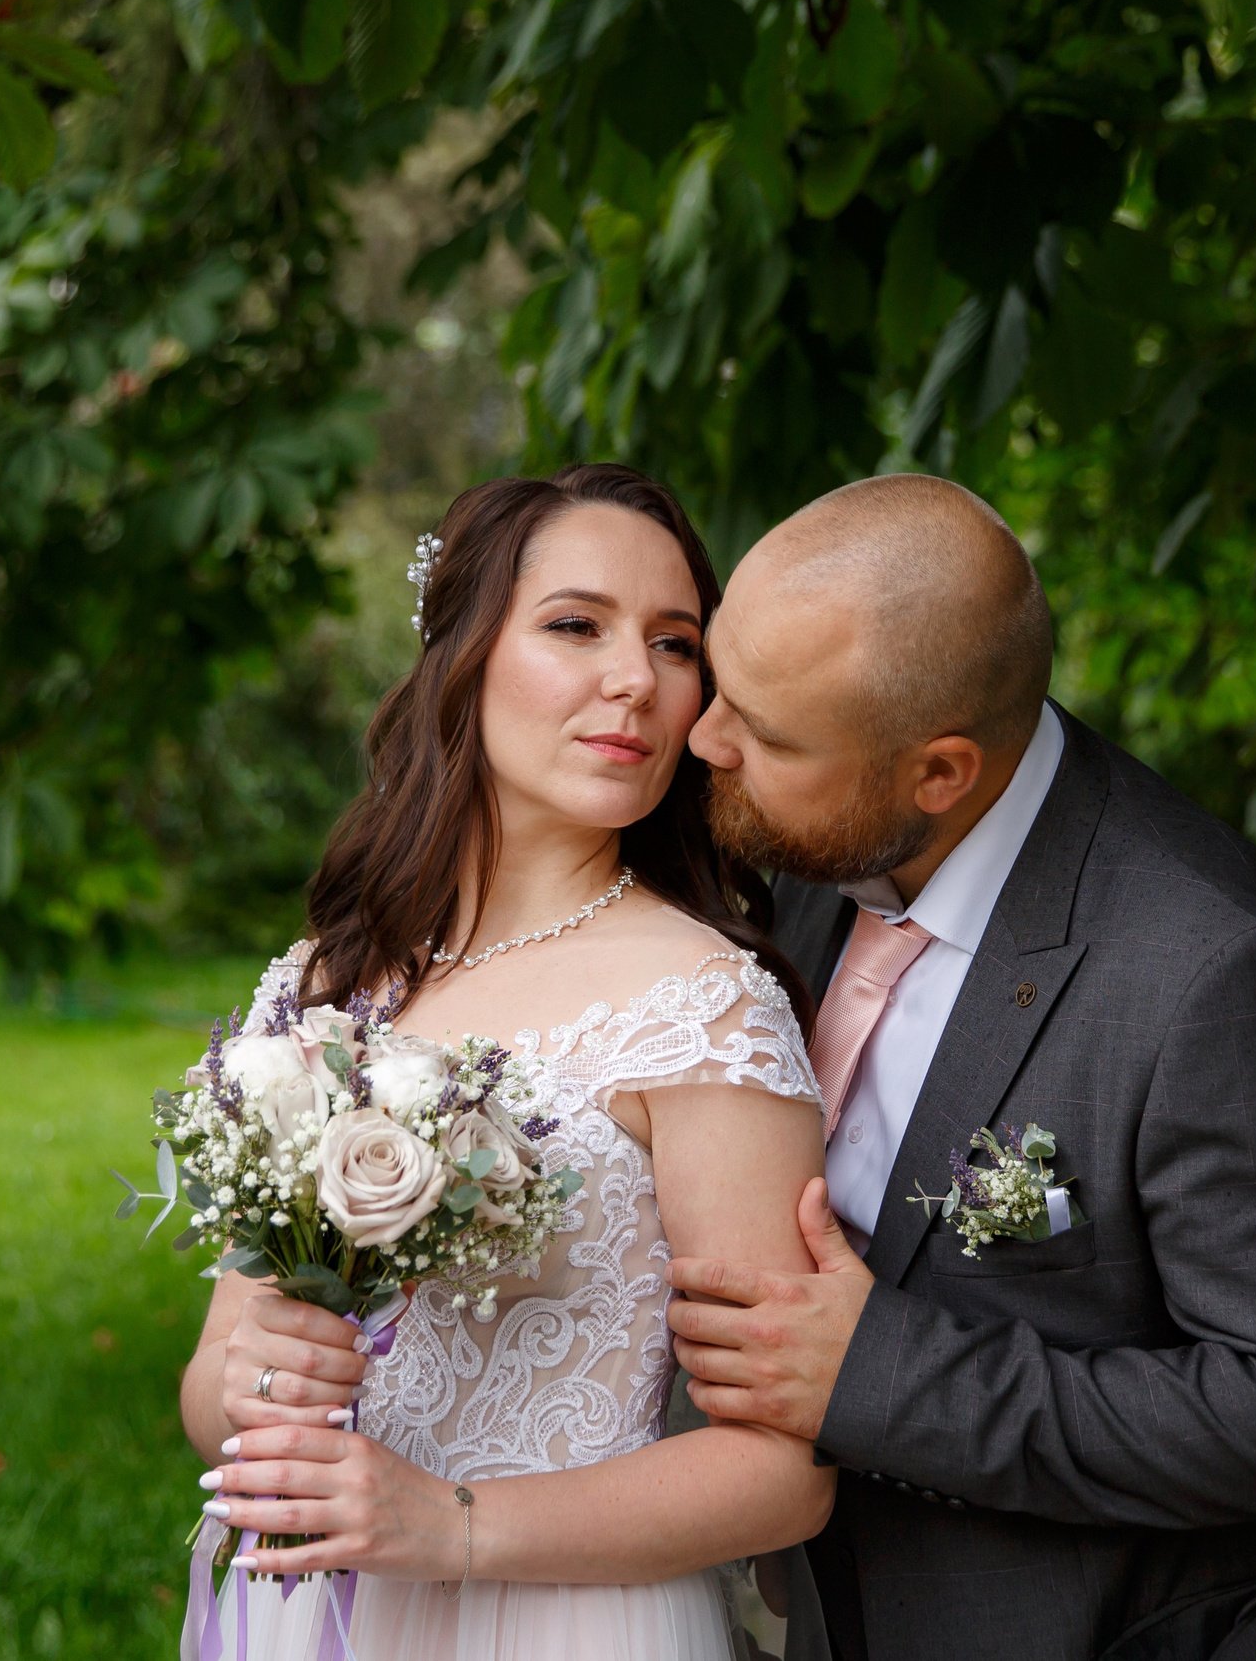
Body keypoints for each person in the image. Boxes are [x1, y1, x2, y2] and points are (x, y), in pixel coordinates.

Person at [668, 473, 1256, 1661]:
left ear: (940, 772)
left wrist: (878, 1377)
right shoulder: (824, 848)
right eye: (723, 686)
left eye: (768, 732)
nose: (705, 738)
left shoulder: (1216, 970)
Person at [176, 464, 834, 1661]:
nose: (634, 680)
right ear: (463, 653)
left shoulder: (702, 1005)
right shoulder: (324, 980)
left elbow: (784, 1475)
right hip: (314, 1607)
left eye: (676, 643)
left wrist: (455, 1526)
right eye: (575, 625)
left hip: (565, 1621)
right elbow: (215, 1375)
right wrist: (254, 1381)